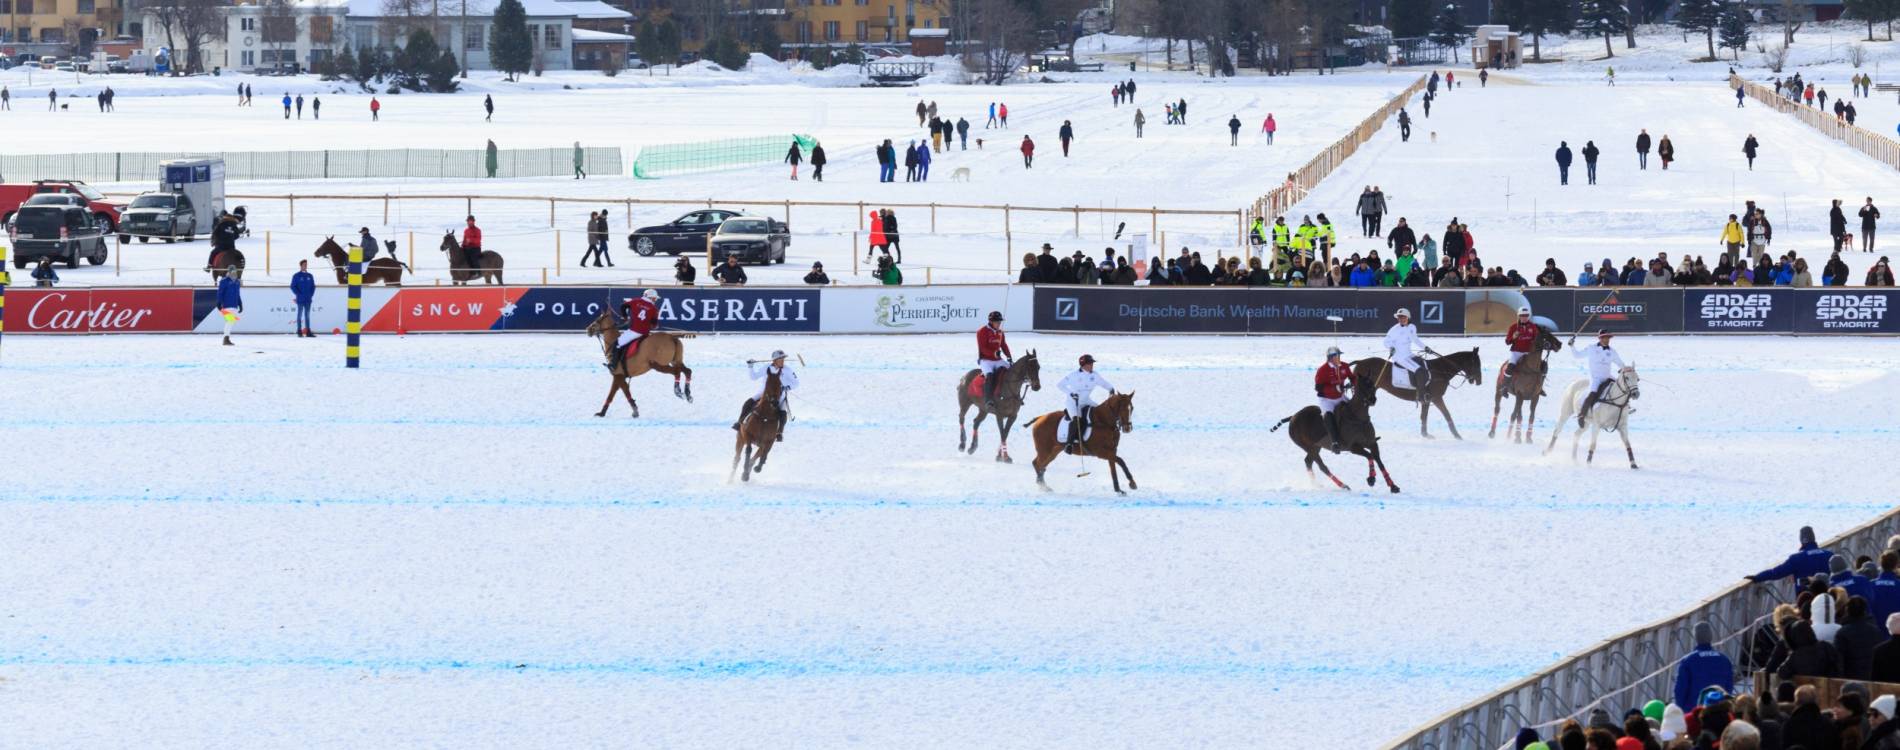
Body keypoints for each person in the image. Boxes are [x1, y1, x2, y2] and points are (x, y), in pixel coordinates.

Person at [1567, 329, 1627, 429]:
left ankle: (1625, 408)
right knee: (1592, 393)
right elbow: (1577, 355)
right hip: (1596, 378)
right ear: (1600, 338)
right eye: (1604, 337)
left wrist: (1625, 369)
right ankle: (1582, 415)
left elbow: (1620, 363)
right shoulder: (1591, 348)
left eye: (1608, 337)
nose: (1606, 339)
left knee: (1621, 388)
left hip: (1607, 376)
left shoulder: (1612, 351)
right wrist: (1572, 346)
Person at [732, 350, 797, 442]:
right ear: (774, 360)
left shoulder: (787, 370)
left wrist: (785, 387)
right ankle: (739, 422)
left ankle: (779, 433)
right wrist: (750, 367)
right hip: (763, 393)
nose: (783, 361)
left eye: (783, 359)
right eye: (780, 359)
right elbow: (753, 377)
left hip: (780, 396)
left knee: (783, 412)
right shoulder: (767, 368)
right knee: (748, 403)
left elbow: (796, 383)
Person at [1673, 621, 1736, 711]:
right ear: (1711, 636)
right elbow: (1729, 687)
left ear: (1696, 637)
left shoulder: (1688, 661)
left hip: (1694, 712)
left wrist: (1683, 711)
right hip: (1720, 711)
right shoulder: (1724, 660)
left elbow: (1680, 691)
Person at [1057, 354, 1114, 452]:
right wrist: (1071, 393)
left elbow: (1104, 383)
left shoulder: (1094, 375)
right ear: (1083, 364)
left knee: (1101, 412)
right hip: (1073, 402)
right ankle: (1069, 444)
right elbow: (1060, 385)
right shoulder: (1073, 374)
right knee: (1076, 420)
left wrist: (1111, 388)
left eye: (1092, 363)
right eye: (1090, 363)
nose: (1092, 365)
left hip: (1086, 400)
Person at [606, 289, 660, 371]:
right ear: (649, 297)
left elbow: (623, 306)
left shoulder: (636, 301)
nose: (655, 300)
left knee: (617, 343)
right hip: (645, 333)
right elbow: (654, 324)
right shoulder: (653, 308)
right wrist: (654, 326)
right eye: (654, 298)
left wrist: (625, 316)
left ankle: (613, 364)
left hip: (634, 331)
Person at [1384, 308, 1435, 391]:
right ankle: (1421, 394)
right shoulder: (1394, 330)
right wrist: (1391, 347)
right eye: (1399, 317)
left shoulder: (1412, 327)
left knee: (1423, 362)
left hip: (1409, 354)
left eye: (1403, 317)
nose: (1401, 319)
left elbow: (1415, 340)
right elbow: (1386, 341)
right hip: (1399, 357)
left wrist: (1425, 347)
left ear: (1408, 317)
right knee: (1419, 370)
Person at [1315, 346, 1354, 453]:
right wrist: (1334, 388)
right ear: (1330, 358)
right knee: (1328, 415)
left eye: (1339, 355)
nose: (1339, 358)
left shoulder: (1344, 366)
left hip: (1340, 396)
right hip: (1327, 399)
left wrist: (1355, 384)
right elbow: (1318, 388)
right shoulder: (1322, 370)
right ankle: (1335, 442)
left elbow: (1352, 377)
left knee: (1355, 409)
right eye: (1336, 356)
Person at [977, 311, 1012, 408]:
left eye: (1000, 322)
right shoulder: (982, 331)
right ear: (991, 322)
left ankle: (1012, 395)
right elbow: (983, 347)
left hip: (997, 360)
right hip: (985, 360)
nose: (999, 324)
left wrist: (1009, 356)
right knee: (990, 375)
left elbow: (1004, 345)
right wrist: (993, 353)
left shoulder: (1000, 332)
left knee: (1012, 370)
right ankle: (988, 400)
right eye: (997, 322)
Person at [1502, 307, 1540, 387]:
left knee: (1542, 367)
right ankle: (1504, 387)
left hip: (1529, 353)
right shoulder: (1513, 327)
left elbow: (1537, 340)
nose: (1524, 317)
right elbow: (1507, 342)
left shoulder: (1533, 327)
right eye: (1522, 315)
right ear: (1519, 316)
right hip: (1516, 352)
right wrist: (1513, 337)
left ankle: (1539, 387)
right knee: (1510, 368)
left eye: (1526, 315)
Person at [216, 270, 243, 347]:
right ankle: (226, 338)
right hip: (226, 305)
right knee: (230, 320)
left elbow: (238, 294)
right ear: (229, 272)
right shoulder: (224, 281)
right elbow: (220, 292)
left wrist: (240, 304)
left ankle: (226, 338)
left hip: (234, 305)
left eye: (235, 272)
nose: (234, 273)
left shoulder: (237, 282)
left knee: (231, 321)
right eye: (232, 272)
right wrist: (219, 302)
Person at [291, 260, 316, 337]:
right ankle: (299, 331)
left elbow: (313, 286)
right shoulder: (296, 275)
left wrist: (310, 295)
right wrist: (298, 294)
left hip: (308, 299)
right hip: (300, 300)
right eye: (304, 265)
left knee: (307, 316)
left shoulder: (310, 276)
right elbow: (293, 286)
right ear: (301, 266)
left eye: (306, 265)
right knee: (299, 315)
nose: (305, 266)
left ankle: (308, 331)